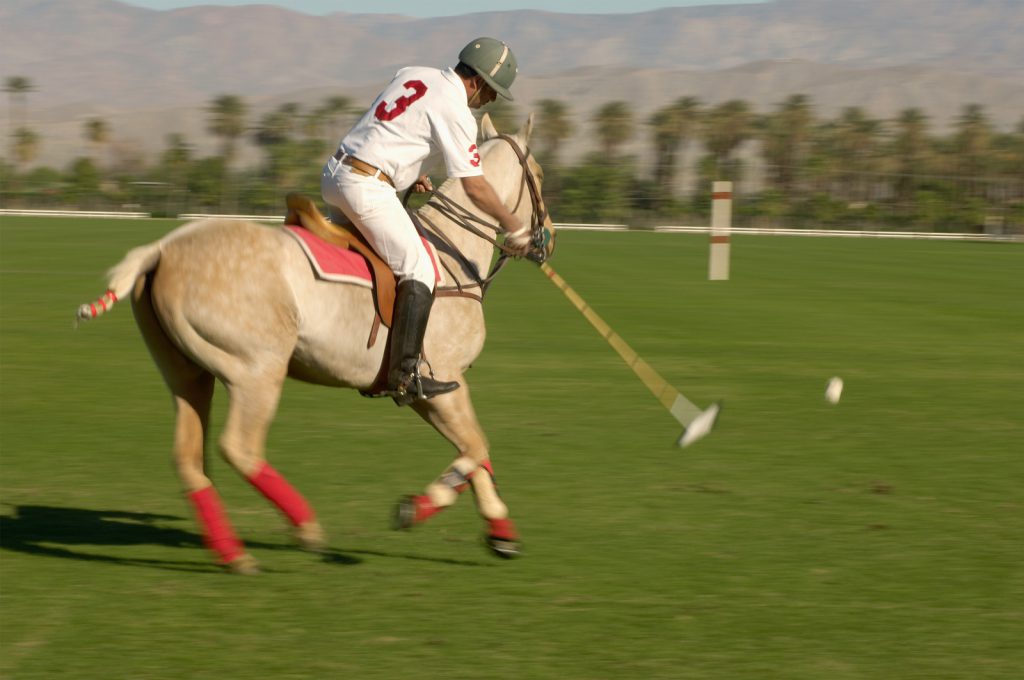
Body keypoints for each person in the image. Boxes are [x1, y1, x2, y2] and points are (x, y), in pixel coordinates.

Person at [322, 37, 530, 406]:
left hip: (337, 173)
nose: (493, 100)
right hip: (366, 188)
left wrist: (408, 172)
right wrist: (513, 224)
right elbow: (476, 187)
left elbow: (392, 127)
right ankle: (404, 374)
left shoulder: (413, 73)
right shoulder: (457, 110)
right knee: (420, 267)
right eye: (494, 91)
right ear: (478, 81)